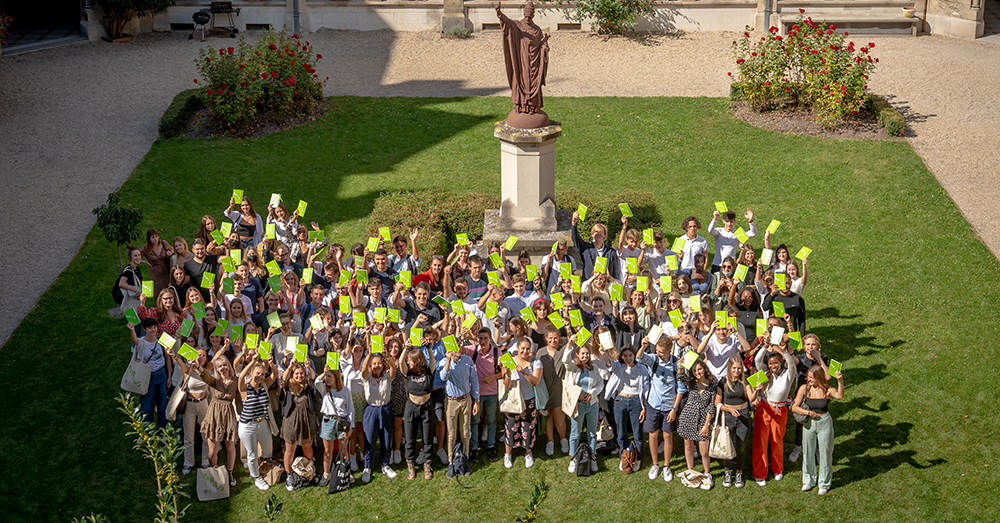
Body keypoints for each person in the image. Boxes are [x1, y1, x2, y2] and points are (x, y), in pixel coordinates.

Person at [637, 336, 686, 482]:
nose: (658, 353)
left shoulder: (678, 364)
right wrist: (643, 346)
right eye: (657, 350)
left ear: (669, 351)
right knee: (653, 434)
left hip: (669, 406)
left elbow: (681, 389)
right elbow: (639, 358)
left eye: (661, 352)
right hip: (653, 403)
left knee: (667, 436)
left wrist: (674, 409)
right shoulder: (653, 359)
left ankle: (666, 466)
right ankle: (655, 464)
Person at [791, 364, 844, 495]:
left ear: (819, 378)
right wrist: (808, 413)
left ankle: (824, 482)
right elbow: (794, 407)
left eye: (811, 378)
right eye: (808, 377)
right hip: (809, 423)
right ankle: (808, 480)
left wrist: (840, 381)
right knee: (808, 451)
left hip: (824, 422)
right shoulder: (804, 388)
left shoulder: (828, 390)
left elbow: (840, 396)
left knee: (825, 452)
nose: (809, 380)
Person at [751, 338, 797, 486]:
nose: (773, 366)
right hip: (764, 408)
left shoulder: (788, 375)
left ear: (780, 363)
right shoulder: (765, 374)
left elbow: (791, 365)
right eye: (770, 364)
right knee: (761, 442)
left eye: (775, 363)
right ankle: (760, 473)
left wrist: (784, 352)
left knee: (777, 441)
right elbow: (758, 359)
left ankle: (778, 469)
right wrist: (765, 347)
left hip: (780, 410)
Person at [194, 351, 240, 487]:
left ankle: (230, 472)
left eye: (225, 365)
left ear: (229, 366)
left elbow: (239, 399)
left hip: (229, 414)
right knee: (212, 451)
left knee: (230, 446)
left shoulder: (235, 380)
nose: (223, 368)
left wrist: (242, 414)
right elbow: (205, 376)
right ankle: (215, 471)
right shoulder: (214, 380)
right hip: (214, 414)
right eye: (219, 366)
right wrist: (197, 366)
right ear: (216, 368)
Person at [564, 335, 607, 473]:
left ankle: (592, 455)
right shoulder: (573, 367)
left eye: (587, 353)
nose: (585, 356)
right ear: (577, 354)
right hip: (577, 405)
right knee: (575, 433)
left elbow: (600, 384)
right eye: (582, 353)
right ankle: (574, 458)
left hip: (592, 405)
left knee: (592, 432)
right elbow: (565, 360)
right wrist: (570, 345)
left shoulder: (593, 368)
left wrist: (592, 393)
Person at [604, 345, 650, 472]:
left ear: (634, 355)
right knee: (620, 433)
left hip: (636, 401)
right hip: (620, 401)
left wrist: (644, 407)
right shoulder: (619, 367)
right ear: (622, 357)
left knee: (637, 433)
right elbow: (609, 363)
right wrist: (603, 352)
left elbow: (646, 388)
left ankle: (638, 458)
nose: (628, 358)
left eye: (630, 355)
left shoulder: (642, 368)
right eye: (625, 356)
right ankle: (624, 457)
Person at [440, 333, 480, 478]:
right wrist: (449, 361)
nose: (457, 349)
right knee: (451, 434)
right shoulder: (444, 361)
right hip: (451, 401)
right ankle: (451, 462)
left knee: (465, 432)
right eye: (454, 347)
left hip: (466, 400)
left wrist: (476, 400)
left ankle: (465, 459)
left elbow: (474, 380)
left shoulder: (468, 360)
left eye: (459, 346)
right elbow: (443, 377)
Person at [714, 356, 758, 488]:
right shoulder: (722, 382)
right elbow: (717, 403)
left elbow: (751, 398)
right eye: (734, 368)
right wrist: (729, 410)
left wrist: (757, 390)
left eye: (739, 368)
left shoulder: (746, 382)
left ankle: (739, 472)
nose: (737, 371)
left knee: (741, 447)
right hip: (727, 417)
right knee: (727, 446)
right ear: (729, 368)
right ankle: (728, 472)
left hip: (743, 417)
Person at [237, 354, 277, 491]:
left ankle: (263, 468)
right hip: (247, 425)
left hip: (263, 423)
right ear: (252, 373)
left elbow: (274, 376)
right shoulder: (244, 389)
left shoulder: (263, 386)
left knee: (268, 450)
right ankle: (256, 477)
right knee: (252, 453)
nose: (260, 376)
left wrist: (271, 364)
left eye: (262, 374)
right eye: (257, 373)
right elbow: (241, 377)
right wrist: (251, 363)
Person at [501, 337, 543, 468]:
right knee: (510, 426)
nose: (525, 351)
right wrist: (507, 374)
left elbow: (535, 381)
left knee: (529, 426)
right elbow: (507, 385)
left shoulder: (536, 362)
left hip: (529, 399)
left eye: (528, 349)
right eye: (523, 348)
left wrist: (524, 372)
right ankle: (508, 454)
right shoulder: (510, 361)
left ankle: (528, 453)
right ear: (517, 348)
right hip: (513, 399)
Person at [170, 347, 211, 475]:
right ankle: (188, 463)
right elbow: (179, 362)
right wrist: (174, 355)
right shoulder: (188, 370)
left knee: (206, 435)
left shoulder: (207, 369)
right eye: (198, 355)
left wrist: (226, 345)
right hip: (189, 405)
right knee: (189, 436)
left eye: (203, 355)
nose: (201, 358)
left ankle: (205, 461)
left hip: (203, 403)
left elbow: (217, 357)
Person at [360, 349, 398, 483]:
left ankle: (385, 464)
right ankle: (367, 466)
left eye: (379, 363)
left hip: (386, 409)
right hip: (371, 410)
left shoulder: (387, 376)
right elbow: (364, 369)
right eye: (374, 364)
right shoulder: (367, 377)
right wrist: (369, 354)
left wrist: (387, 356)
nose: (377, 366)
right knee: (369, 439)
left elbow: (393, 367)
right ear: (371, 365)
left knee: (386, 439)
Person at [678, 359, 717, 486]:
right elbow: (680, 377)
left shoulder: (712, 385)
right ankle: (690, 471)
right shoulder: (691, 383)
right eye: (694, 370)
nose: (697, 372)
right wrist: (681, 366)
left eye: (699, 369)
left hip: (703, 420)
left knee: (704, 451)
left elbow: (711, 407)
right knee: (688, 446)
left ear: (704, 369)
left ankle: (707, 473)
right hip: (688, 417)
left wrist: (707, 424)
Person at [315, 362, 355, 487]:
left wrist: (350, 427)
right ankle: (326, 473)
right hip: (328, 421)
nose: (326, 379)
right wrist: (324, 373)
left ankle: (345, 471)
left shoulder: (345, 391)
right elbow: (316, 382)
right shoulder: (324, 389)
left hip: (342, 421)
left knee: (343, 449)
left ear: (336, 377)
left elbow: (350, 410)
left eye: (329, 376)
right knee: (327, 450)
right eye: (326, 377)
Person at [399, 343, 436, 479]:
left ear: (418, 360)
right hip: (411, 408)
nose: (408, 362)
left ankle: (427, 465)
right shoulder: (408, 372)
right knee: (410, 438)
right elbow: (400, 363)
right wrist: (406, 349)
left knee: (427, 438)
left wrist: (429, 348)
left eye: (410, 360)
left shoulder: (428, 371)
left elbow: (432, 361)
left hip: (426, 408)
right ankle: (411, 466)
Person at [279, 361, 318, 491]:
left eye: (301, 373)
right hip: (291, 421)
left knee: (308, 448)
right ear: (292, 374)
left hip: (307, 421)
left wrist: (308, 367)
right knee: (290, 450)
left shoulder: (308, 385)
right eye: (297, 373)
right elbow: (282, 380)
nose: (299, 376)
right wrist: (289, 366)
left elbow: (314, 378)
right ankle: (289, 474)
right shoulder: (288, 385)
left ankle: (310, 471)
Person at [128, 318, 170, 430]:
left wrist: (169, 376)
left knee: (162, 405)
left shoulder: (162, 339)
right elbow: (135, 340)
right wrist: (132, 330)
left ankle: (163, 430)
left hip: (161, 374)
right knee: (147, 406)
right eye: (150, 328)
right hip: (147, 376)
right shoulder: (141, 341)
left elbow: (168, 357)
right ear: (145, 329)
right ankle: (148, 432)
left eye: (154, 327)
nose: (153, 330)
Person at [535, 328, 568, 456]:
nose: (553, 340)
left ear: (559, 338)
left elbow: (572, 343)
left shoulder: (563, 350)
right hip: (544, 390)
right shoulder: (540, 352)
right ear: (546, 337)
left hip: (558, 389)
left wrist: (569, 329)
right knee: (548, 417)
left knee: (560, 421)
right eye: (550, 338)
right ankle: (550, 441)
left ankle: (563, 439)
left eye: (555, 338)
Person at [707, 209, 757, 273]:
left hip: (731, 265)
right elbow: (710, 230)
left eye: (731, 221)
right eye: (727, 221)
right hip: (718, 264)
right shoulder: (719, 231)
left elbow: (753, 233)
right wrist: (715, 218)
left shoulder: (738, 233)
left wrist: (750, 221)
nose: (729, 224)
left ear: (734, 221)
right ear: (723, 221)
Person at [141, 228, 175, 297]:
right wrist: (145, 262)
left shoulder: (164, 243)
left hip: (166, 271)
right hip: (155, 274)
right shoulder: (145, 248)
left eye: (156, 236)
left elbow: (172, 249)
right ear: (149, 238)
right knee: (158, 294)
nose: (155, 239)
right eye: (152, 237)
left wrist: (170, 252)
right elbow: (135, 256)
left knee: (168, 292)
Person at [118, 246, 145, 313]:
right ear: (130, 257)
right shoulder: (128, 270)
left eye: (139, 255)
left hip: (137, 299)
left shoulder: (136, 268)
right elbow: (121, 283)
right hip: (130, 300)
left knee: (139, 319)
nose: (138, 257)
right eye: (135, 256)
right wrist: (135, 290)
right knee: (133, 321)